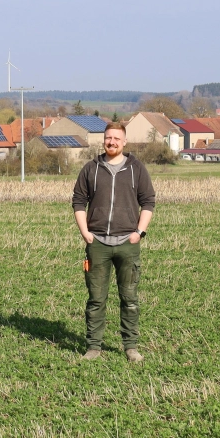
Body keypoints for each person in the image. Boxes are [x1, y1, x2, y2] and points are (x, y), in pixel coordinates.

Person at [72, 122, 155, 362]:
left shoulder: (136, 169)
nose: (112, 142)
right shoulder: (91, 169)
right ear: (104, 140)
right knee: (96, 299)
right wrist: (85, 232)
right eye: (109, 138)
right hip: (97, 243)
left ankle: (131, 347)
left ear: (124, 142)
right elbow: (78, 201)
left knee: (129, 298)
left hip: (128, 243)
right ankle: (93, 347)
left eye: (117, 138)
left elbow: (148, 201)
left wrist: (139, 232)